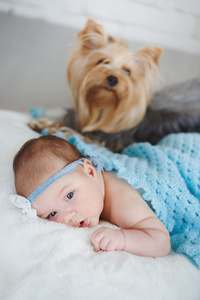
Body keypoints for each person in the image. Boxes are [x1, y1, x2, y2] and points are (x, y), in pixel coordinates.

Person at [10, 135, 171, 258]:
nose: (67, 217)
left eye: (69, 195)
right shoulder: (90, 190)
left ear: (90, 171)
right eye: (52, 214)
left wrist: (122, 238)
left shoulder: (122, 201)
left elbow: (161, 242)